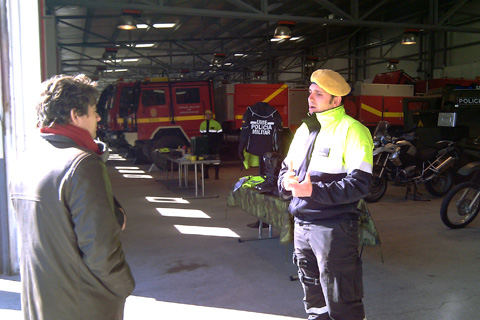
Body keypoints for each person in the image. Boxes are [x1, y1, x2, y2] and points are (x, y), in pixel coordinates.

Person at [10, 74, 135, 320]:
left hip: (42, 301)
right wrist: (124, 286)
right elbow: (100, 248)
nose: (98, 117)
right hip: (84, 304)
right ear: (76, 115)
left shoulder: (26, 160)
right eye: (93, 110)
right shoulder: (82, 164)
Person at [278, 69, 373, 320]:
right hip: (302, 225)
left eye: (319, 94)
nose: (311, 97)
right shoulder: (304, 129)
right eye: (310, 92)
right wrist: (285, 182)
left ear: (336, 100)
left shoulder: (353, 131)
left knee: (341, 298)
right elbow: (286, 168)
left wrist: (314, 191)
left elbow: (360, 185)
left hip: (334, 230)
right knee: (313, 294)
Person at [199, 109, 222, 179]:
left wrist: (218, 144)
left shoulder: (216, 124)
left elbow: (220, 134)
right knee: (205, 160)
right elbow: (201, 135)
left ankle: (216, 175)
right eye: (206, 115)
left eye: (209, 115)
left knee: (216, 160)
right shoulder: (202, 124)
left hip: (214, 144)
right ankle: (206, 175)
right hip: (206, 145)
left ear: (211, 116)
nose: (207, 116)